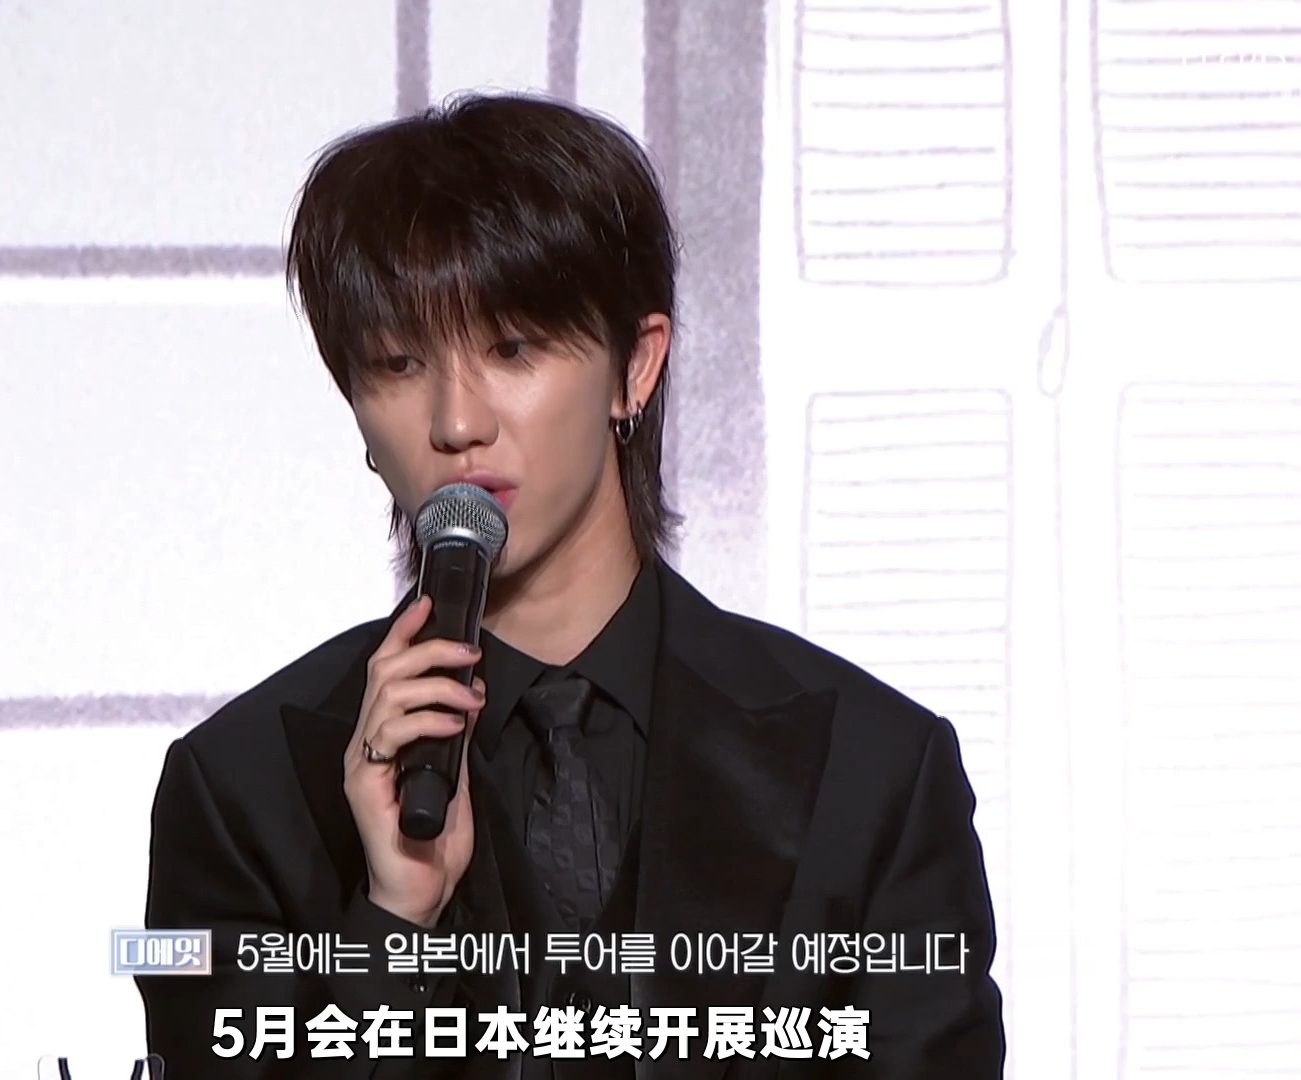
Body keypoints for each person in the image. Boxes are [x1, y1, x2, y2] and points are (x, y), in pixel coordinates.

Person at [137, 92, 1004, 1079]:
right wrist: (393, 921)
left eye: (512, 349)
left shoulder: (875, 771)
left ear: (635, 367)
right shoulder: (239, 793)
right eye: (398, 363)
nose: (457, 422)